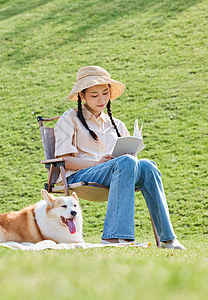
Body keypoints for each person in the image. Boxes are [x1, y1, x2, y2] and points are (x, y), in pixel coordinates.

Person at [54, 66, 186, 250]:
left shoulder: (117, 124)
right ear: (82, 96)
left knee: (148, 165)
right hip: (79, 175)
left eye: (105, 93)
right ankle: (114, 238)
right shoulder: (70, 119)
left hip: (116, 174)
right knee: (126, 162)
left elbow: (127, 162)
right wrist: (97, 163)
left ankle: (167, 239)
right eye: (94, 95)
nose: (101, 99)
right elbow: (64, 160)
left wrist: (131, 156)